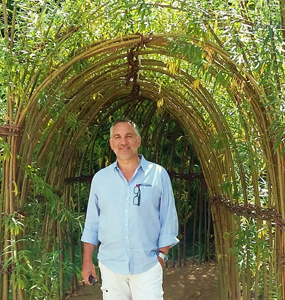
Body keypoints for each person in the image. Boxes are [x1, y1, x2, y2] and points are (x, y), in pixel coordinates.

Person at [81, 119, 179, 300]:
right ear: (111, 143)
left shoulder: (158, 174)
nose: (123, 142)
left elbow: (168, 218)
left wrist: (161, 256)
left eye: (129, 136)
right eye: (117, 137)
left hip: (147, 264)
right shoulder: (100, 179)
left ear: (138, 141)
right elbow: (92, 224)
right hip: (111, 266)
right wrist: (87, 261)